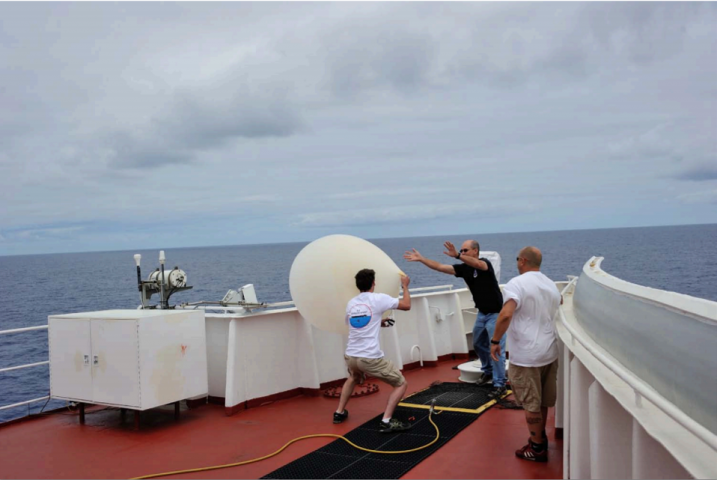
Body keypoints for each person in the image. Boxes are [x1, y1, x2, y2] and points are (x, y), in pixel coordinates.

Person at [403, 240, 506, 397]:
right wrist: (422, 259)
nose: (463, 252)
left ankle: (500, 385)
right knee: (478, 344)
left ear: (475, 251)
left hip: (495, 314)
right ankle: (488, 371)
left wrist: (457, 255)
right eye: (461, 250)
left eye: (465, 250)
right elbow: (440, 267)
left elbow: (478, 265)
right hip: (482, 313)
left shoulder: (485, 264)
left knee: (496, 350)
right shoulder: (464, 269)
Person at [490, 246, 561, 463]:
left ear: (522, 260)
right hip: (549, 352)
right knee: (542, 402)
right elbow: (561, 305)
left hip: (528, 355)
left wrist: (495, 341)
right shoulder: (550, 284)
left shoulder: (516, 284)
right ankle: (540, 439)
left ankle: (537, 447)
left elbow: (506, 314)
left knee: (530, 403)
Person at [334, 269, 413, 433]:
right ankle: (386, 421)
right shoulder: (379, 299)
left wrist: (378, 322)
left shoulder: (352, 303)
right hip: (369, 358)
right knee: (401, 384)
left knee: (353, 377)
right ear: (373, 283)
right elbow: (406, 306)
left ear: (357, 285)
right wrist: (404, 286)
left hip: (351, 356)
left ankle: (339, 413)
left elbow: (356, 325)